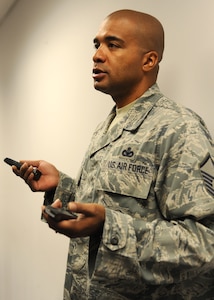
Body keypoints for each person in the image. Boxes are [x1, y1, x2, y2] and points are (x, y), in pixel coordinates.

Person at [12, 9, 214, 300]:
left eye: (113, 44)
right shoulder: (108, 126)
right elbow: (111, 205)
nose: (97, 55)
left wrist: (110, 226)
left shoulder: (179, 129)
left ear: (149, 60)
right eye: (97, 44)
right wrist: (60, 186)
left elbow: (206, 243)